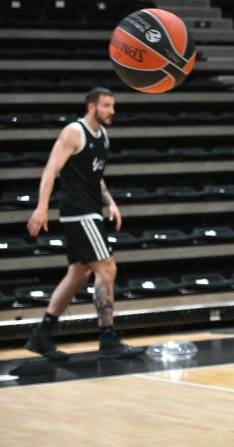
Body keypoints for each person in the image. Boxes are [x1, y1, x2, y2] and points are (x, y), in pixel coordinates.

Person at [24, 87, 145, 360]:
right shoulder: (73, 132)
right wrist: (42, 207)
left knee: (78, 275)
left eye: (112, 106)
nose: (112, 111)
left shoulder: (103, 135)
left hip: (90, 209)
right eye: (106, 106)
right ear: (91, 106)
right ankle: (108, 339)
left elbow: (95, 176)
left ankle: (42, 335)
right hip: (79, 212)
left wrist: (110, 201)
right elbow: (51, 169)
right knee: (107, 268)